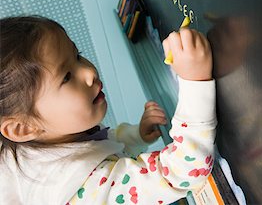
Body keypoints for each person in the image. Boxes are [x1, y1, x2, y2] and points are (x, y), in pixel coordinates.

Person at [0, 16, 216, 205]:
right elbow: (183, 172)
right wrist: (195, 81)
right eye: (66, 77)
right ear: (23, 128)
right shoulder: (79, 189)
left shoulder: (45, 138)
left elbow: (94, 147)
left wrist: (135, 135)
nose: (88, 72)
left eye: (77, 55)